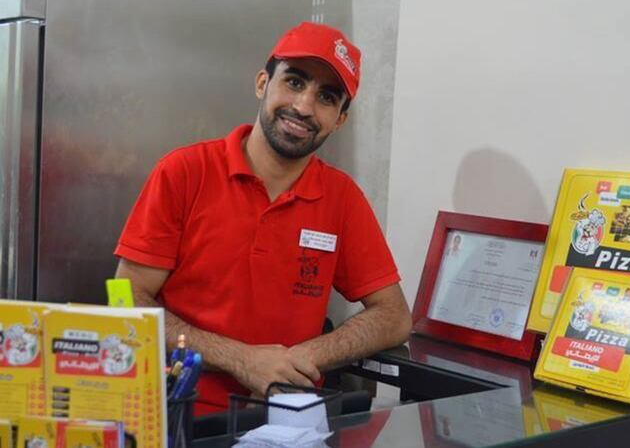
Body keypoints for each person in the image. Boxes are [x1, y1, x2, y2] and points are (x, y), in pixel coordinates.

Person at [113, 22, 412, 415]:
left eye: (326, 96)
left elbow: (395, 317)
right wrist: (241, 359)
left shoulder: (343, 199)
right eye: (294, 81)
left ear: (339, 119)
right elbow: (122, 300)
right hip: (172, 412)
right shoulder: (183, 172)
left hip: (288, 419)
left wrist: (301, 358)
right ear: (262, 83)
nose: (304, 107)